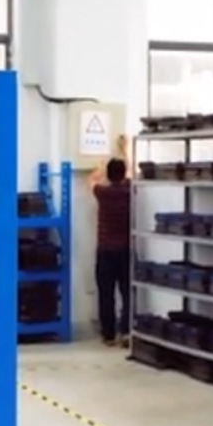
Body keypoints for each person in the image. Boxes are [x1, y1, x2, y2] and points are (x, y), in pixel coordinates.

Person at [89, 141, 131, 346]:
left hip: (106, 251)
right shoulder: (129, 191)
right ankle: (126, 332)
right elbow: (131, 174)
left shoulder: (103, 193)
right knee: (127, 292)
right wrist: (124, 150)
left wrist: (100, 166)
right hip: (126, 250)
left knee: (106, 294)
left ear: (109, 174)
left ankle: (109, 335)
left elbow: (91, 180)